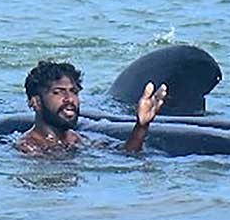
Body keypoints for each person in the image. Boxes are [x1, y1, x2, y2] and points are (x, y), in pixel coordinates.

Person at [17, 60, 167, 155]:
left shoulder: (79, 140)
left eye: (74, 92)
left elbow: (126, 154)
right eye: (58, 92)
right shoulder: (28, 147)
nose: (69, 99)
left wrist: (141, 126)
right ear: (36, 102)